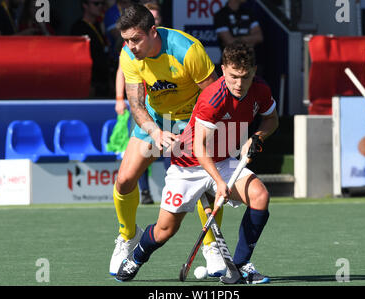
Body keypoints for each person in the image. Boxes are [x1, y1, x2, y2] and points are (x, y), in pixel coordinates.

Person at [116, 41, 279, 284]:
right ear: (222, 69)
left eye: (245, 77)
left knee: (260, 196)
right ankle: (137, 256)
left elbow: (271, 120)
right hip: (188, 165)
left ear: (254, 71)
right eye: (233, 76)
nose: (239, 84)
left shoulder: (261, 90)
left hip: (223, 161)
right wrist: (217, 183)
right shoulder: (212, 97)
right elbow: (199, 147)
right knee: (165, 230)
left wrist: (257, 137)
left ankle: (241, 266)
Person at [108, 3, 226, 277]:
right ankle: (128, 236)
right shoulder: (129, 55)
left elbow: (215, 96)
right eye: (126, 40)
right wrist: (156, 132)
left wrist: (198, 131)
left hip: (195, 117)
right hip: (156, 118)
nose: (131, 46)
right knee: (124, 179)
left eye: (136, 39)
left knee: (203, 181)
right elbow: (136, 104)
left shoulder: (187, 49)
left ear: (153, 32)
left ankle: (212, 247)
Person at [113, 1, 163, 205]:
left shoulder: (172, 46)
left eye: (157, 17)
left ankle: (175, 187)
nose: (133, 44)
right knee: (140, 155)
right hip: (142, 105)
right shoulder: (130, 47)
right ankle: (144, 192)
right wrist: (119, 99)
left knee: (174, 152)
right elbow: (121, 72)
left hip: (170, 106)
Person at [71, 0, 110, 98]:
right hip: (90, 83)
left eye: (102, 3)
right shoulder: (78, 28)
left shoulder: (99, 25)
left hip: (104, 81)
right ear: (85, 5)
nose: (100, 6)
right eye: (96, 3)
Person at [213, 0, 264, 76]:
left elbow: (259, 37)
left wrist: (238, 40)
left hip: (250, 64)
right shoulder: (221, 15)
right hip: (230, 65)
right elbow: (229, 42)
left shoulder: (248, 13)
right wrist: (249, 41)